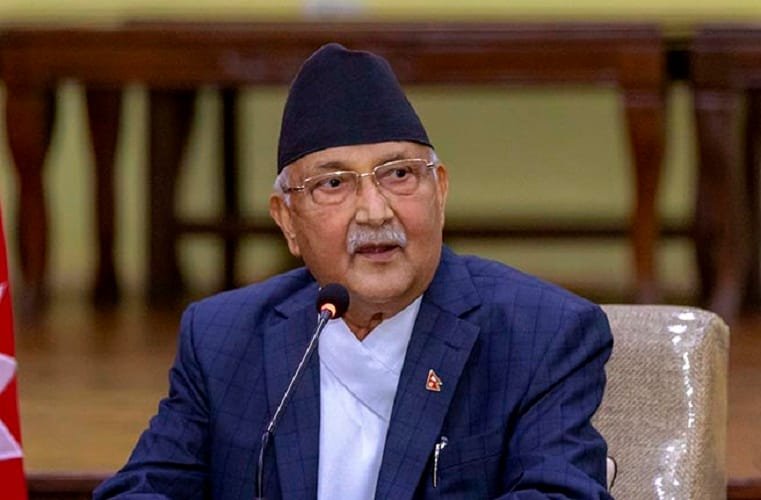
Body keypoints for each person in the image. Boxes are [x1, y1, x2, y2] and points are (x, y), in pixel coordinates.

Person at [94, 43, 613, 499]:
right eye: (334, 184)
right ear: (287, 222)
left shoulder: (542, 334)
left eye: (399, 174)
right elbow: (138, 490)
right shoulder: (223, 339)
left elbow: (562, 494)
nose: (374, 212)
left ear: (440, 192)